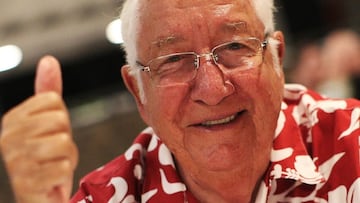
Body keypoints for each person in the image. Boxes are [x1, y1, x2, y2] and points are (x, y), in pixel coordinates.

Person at [0, 0, 359, 202]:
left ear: (277, 59)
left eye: (235, 46)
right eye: (172, 60)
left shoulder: (352, 146)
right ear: (138, 91)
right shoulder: (105, 199)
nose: (213, 88)